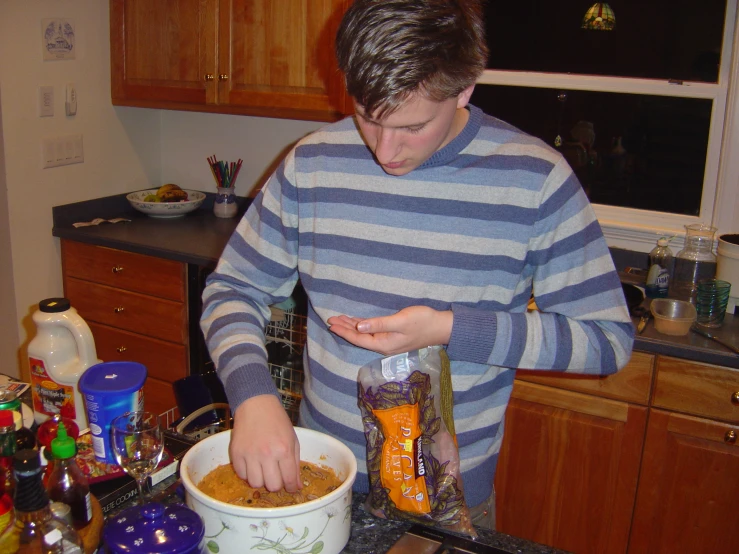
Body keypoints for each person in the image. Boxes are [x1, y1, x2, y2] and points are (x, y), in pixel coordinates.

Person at [200, 0, 634, 530]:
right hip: (318, 483)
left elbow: (607, 341)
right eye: (366, 115)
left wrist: (450, 328)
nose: (385, 150)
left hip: (446, 505)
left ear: (466, 87)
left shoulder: (535, 178)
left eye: (412, 125)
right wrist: (253, 398)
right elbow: (232, 289)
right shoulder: (312, 162)